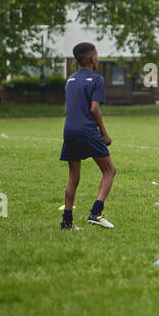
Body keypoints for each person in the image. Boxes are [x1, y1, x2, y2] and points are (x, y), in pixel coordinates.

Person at [60, 42, 116, 229]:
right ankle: (96, 212)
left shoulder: (70, 80)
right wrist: (104, 134)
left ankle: (67, 221)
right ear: (92, 58)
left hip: (69, 131)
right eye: (97, 55)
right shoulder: (97, 80)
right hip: (87, 130)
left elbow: (67, 108)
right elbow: (94, 109)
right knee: (109, 171)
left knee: (73, 178)